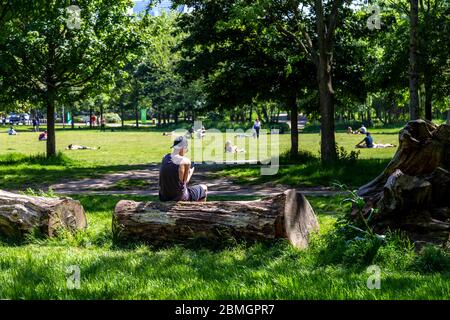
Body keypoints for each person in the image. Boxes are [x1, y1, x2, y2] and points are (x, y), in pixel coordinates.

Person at [159, 136, 208, 202]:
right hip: (179, 197)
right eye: (186, 149)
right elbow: (185, 182)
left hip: (163, 196)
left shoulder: (165, 157)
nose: (186, 151)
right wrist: (190, 172)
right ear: (182, 148)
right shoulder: (185, 161)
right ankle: (199, 211)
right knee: (204, 188)